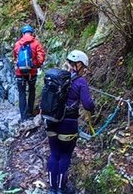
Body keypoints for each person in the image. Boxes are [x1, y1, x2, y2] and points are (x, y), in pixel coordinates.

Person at [45, 50, 95, 194]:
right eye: (84, 66)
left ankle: (51, 188)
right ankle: (61, 189)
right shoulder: (80, 82)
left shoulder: (56, 78)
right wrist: (93, 108)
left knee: (54, 154)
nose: (84, 69)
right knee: (65, 155)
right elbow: (88, 105)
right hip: (68, 124)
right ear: (79, 65)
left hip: (51, 121)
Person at [13, 24, 46, 120]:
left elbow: (15, 57)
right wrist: (37, 65)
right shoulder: (36, 43)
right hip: (32, 72)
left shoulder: (17, 44)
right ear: (31, 33)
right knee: (32, 91)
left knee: (22, 93)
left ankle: (23, 117)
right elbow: (41, 58)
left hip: (20, 73)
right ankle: (30, 112)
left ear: (23, 33)